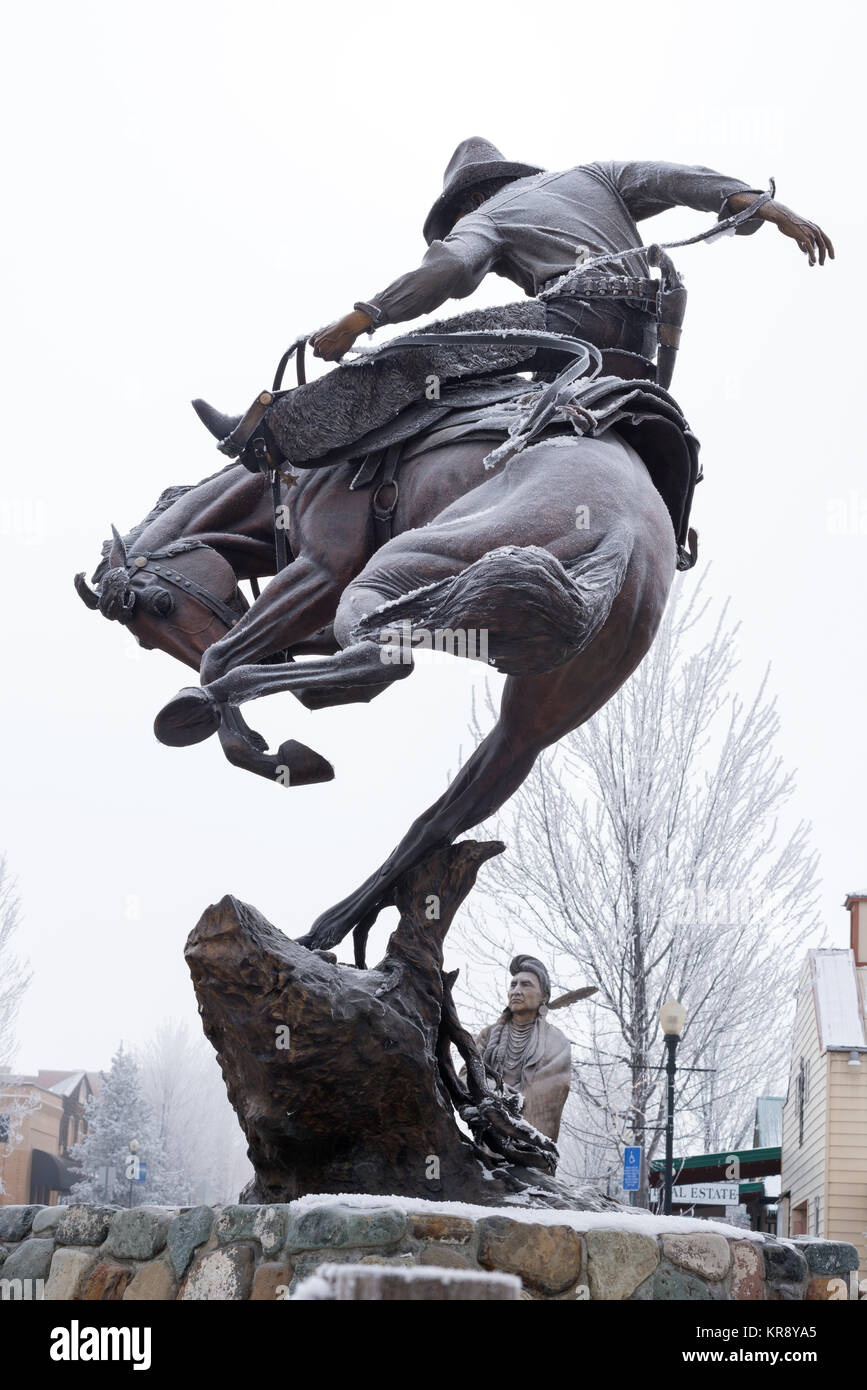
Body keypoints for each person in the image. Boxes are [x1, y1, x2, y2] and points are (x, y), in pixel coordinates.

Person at [475, 954, 572, 1143]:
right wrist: (493, 1094)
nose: (516, 991)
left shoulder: (556, 1041)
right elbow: (467, 1074)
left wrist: (509, 1103)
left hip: (528, 1144)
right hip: (488, 1137)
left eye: (526, 985)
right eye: (513, 985)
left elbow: (553, 1089)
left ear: (544, 996)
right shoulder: (488, 1035)